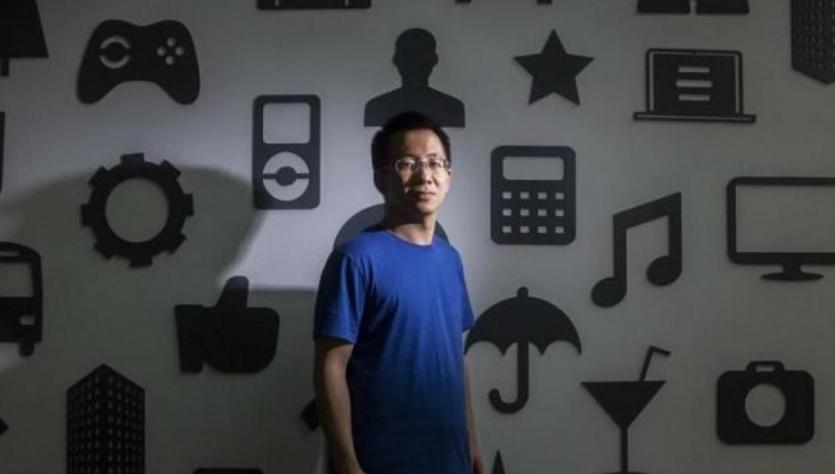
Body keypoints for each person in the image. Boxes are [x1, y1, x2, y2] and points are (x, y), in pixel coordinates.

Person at [313, 111, 482, 474]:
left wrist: (471, 443)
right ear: (380, 177)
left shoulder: (450, 259)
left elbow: (456, 358)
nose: (425, 175)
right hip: (380, 461)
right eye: (408, 163)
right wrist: (345, 460)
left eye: (435, 162)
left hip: (450, 461)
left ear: (449, 176)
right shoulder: (355, 258)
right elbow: (331, 365)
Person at [364, 29, 466, 128]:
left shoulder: (377, 106)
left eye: (421, 55)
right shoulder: (452, 106)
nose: (414, 63)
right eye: (408, 54)